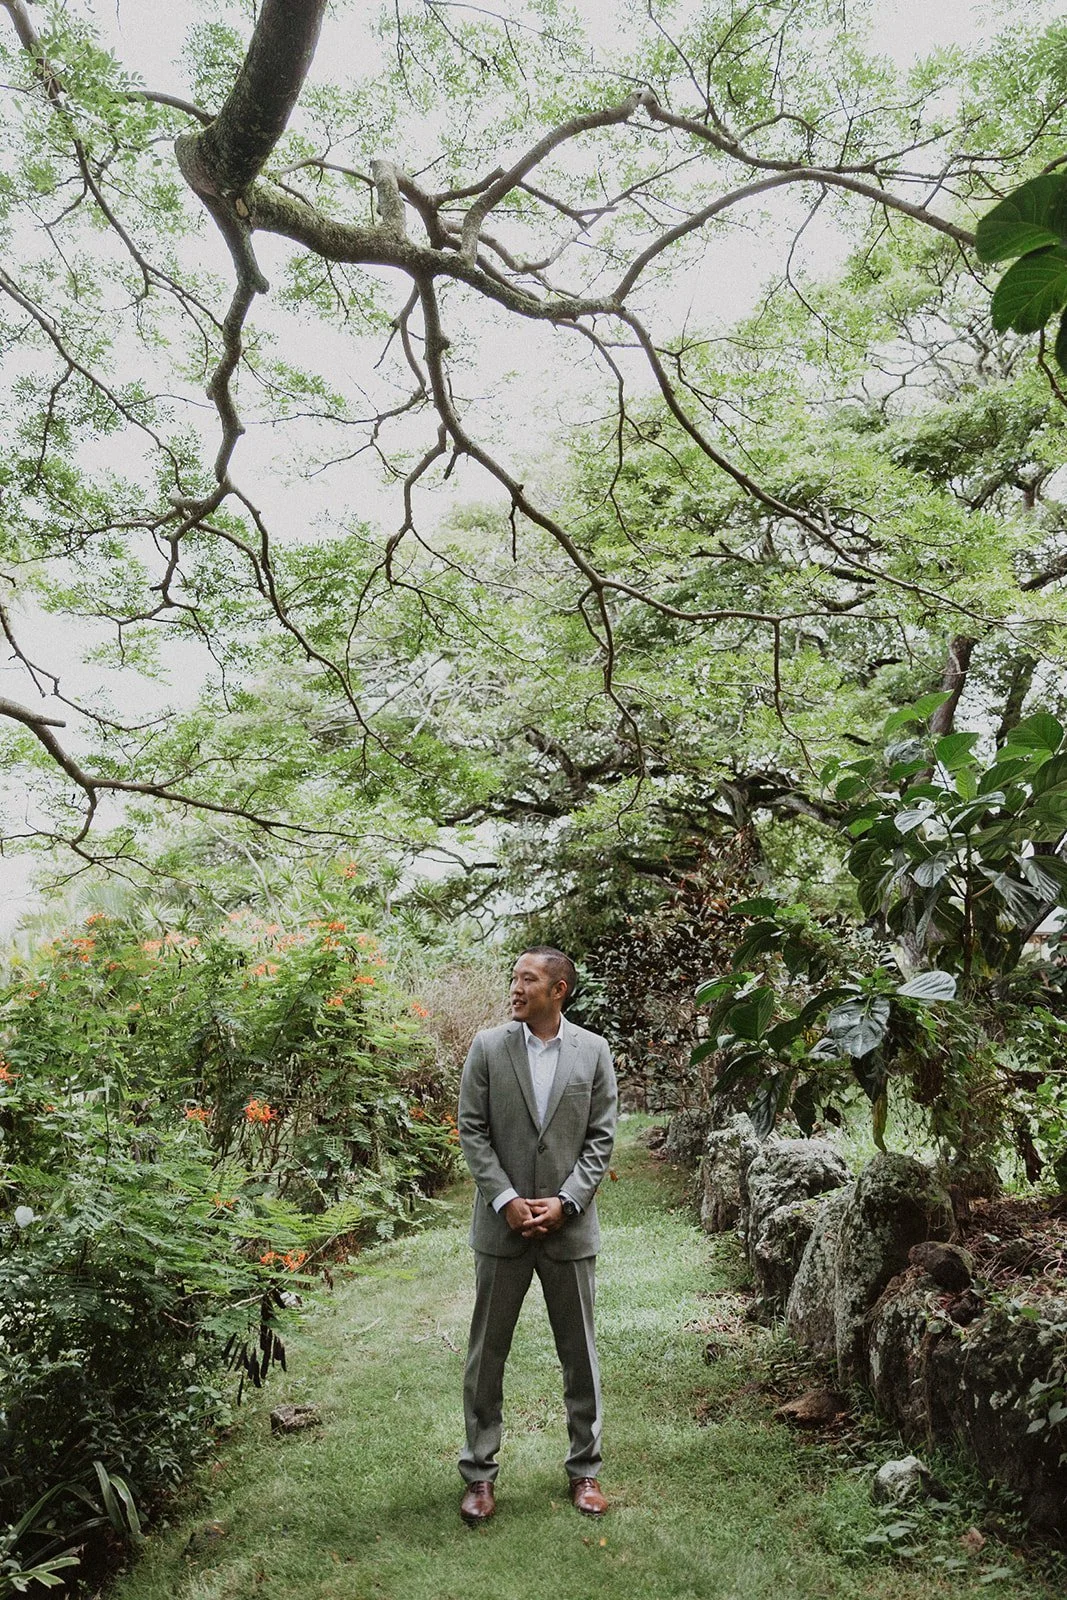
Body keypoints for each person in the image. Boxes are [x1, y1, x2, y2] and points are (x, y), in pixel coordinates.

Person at [456, 945, 618, 1526]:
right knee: (486, 1355)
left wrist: (567, 1201)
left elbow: (601, 1137)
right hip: (501, 1230)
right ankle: (478, 1475)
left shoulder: (594, 1051)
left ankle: (585, 1470)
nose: (516, 988)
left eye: (528, 979)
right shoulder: (487, 1048)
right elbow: (472, 1130)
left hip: (568, 1231)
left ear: (559, 989)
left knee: (580, 1355)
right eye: (514, 978)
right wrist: (504, 1199)